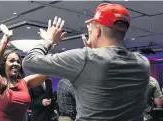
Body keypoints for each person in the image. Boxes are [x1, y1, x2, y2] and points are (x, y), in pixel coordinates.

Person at [22, 3, 150, 121]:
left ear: (98, 30)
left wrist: (49, 41)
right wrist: (94, 50)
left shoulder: (85, 58)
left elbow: (30, 61)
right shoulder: (143, 63)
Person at [0, 24, 48, 121]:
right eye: (11, 61)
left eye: (18, 62)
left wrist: (47, 44)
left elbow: (48, 71)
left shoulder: (24, 82)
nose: (16, 63)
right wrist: (6, 38)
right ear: (4, 64)